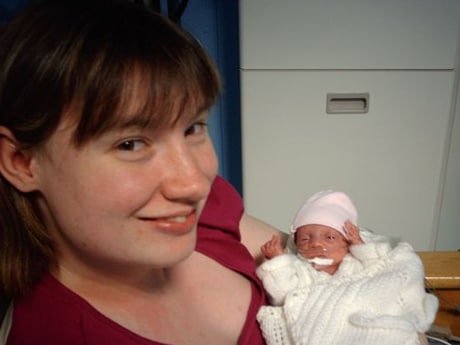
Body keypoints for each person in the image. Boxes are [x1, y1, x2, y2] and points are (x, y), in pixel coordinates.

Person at [0, 1, 284, 344]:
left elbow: (313, 251)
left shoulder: (194, 211)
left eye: (193, 128)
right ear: (21, 161)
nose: (194, 184)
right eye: (131, 144)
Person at [256, 190, 438, 345]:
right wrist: (279, 262)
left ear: (346, 243)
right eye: (305, 239)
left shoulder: (356, 263)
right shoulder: (301, 269)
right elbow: (283, 294)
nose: (316, 244)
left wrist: (360, 246)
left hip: (370, 324)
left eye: (329, 238)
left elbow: (381, 271)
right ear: (296, 245)